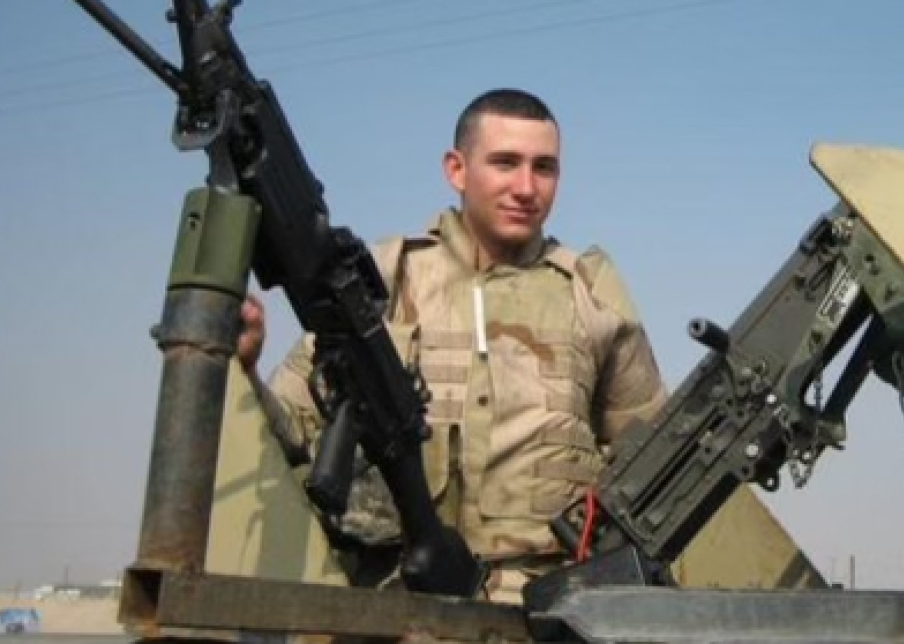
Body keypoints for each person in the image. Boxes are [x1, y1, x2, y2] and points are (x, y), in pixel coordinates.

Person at [236, 87, 668, 603]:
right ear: (457, 170)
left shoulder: (592, 294)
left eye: (544, 167)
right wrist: (243, 367)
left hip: (550, 607)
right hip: (394, 604)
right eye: (505, 163)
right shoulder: (379, 282)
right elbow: (285, 431)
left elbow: (648, 463)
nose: (526, 187)